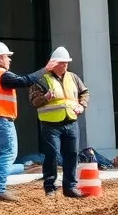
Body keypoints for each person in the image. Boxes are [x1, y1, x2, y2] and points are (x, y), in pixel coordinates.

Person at [0, 42, 62, 202]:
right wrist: (46, 69)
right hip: (1, 120)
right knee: (9, 153)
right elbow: (26, 81)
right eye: (7, 57)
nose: (9, 60)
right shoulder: (2, 75)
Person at [28, 45, 90, 198]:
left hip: (71, 122)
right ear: (54, 63)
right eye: (62, 63)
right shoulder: (42, 79)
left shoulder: (73, 77)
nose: (65, 65)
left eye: (66, 63)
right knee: (52, 155)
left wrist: (82, 106)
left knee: (72, 154)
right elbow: (33, 101)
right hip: (51, 125)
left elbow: (85, 92)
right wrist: (45, 98)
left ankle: (70, 188)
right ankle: (50, 188)